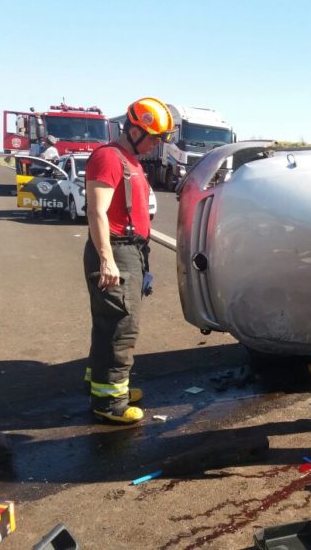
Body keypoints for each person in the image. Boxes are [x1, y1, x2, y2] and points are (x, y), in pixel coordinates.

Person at [83, 97, 175, 424]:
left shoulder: (129, 159)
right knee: (122, 325)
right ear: (133, 129)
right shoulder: (108, 158)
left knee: (111, 322)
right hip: (116, 250)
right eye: (153, 137)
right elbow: (96, 212)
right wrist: (107, 260)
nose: (157, 144)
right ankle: (110, 403)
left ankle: (105, 385)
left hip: (130, 250)